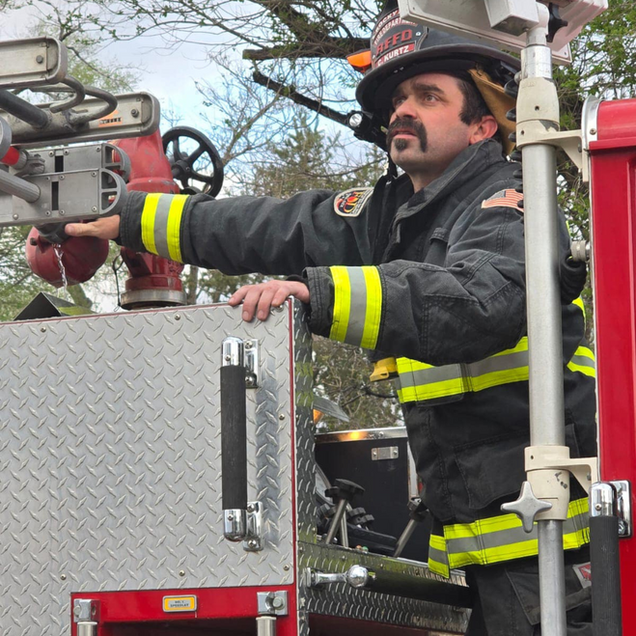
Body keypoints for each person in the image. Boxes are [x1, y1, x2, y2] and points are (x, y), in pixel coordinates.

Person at [65, 1, 596, 633]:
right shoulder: (396, 215)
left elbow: (473, 302)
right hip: (475, 547)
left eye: (429, 97)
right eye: (399, 98)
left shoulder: (510, 200)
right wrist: (128, 215)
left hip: (550, 551)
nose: (403, 109)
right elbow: (269, 227)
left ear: (482, 127)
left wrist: (316, 294)